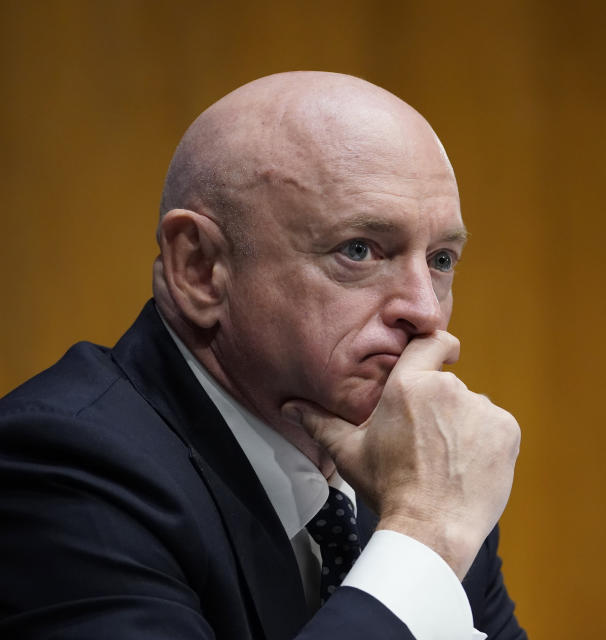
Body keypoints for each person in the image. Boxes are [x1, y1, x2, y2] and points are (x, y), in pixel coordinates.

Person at [0, 71, 525, 640]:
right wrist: (424, 536)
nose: (424, 310)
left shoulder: (416, 472)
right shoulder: (61, 468)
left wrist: (422, 526)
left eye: (441, 259)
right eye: (360, 250)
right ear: (199, 269)